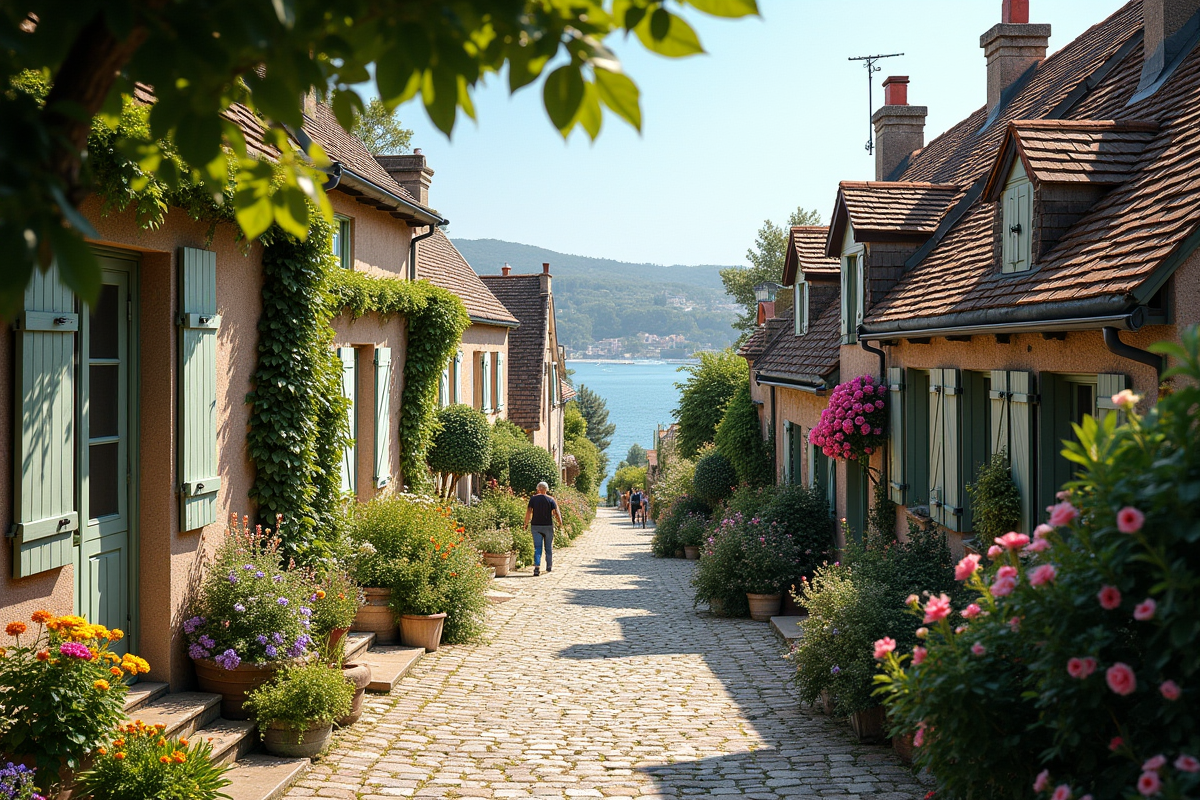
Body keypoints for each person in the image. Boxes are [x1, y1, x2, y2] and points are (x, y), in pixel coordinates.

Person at [524, 481, 563, 577]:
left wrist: (525, 523)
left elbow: (529, 512)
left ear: (538, 489)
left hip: (536, 526)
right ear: (546, 489)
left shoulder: (533, 499)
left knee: (537, 548)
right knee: (548, 547)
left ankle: (537, 567)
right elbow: (557, 512)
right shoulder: (551, 499)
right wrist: (560, 523)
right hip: (548, 526)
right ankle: (549, 566)